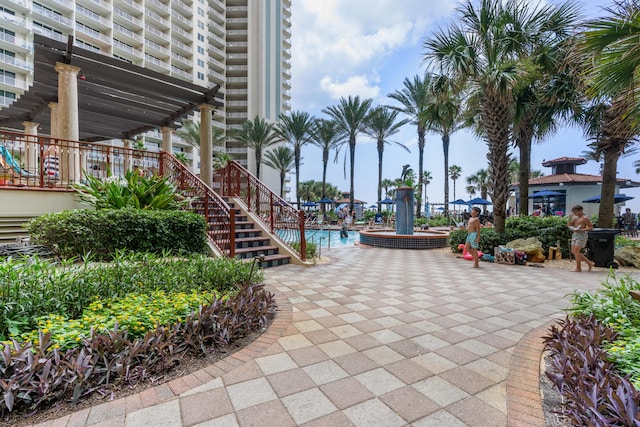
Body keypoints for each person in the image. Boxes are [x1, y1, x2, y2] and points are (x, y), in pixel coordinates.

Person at [568, 204, 595, 272]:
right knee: (573, 251)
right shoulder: (575, 218)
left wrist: (581, 230)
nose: (575, 213)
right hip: (575, 234)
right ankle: (589, 263)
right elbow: (569, 225)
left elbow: (591, 227)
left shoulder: (585, 218)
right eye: (574, 212)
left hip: (582, 235)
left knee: (576, 251)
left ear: (580, 210)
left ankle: (578, 268)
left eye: (576, 211)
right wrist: (569, 218)